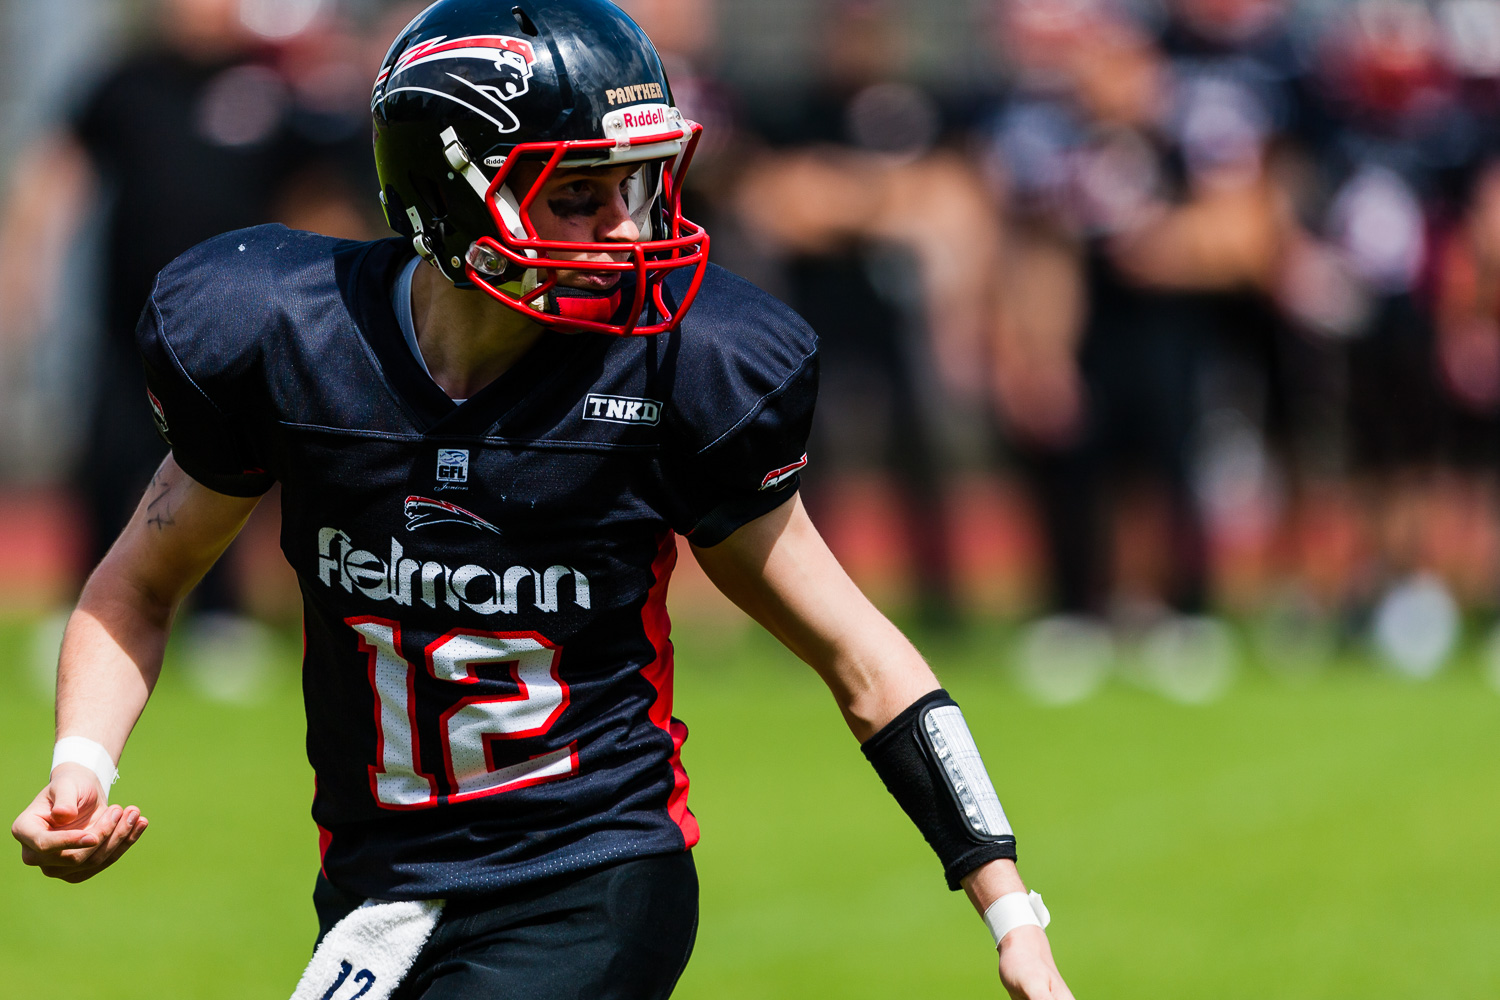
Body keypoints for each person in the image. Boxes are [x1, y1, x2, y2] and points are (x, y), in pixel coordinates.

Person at [9, 2, 1074, 998]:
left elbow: (866, 659)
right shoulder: (287, 339)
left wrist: (1010, 908)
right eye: (579, 194)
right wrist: (80, 765)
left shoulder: (672, 368)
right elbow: (138, 586)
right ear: (452, 192)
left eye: (637, 184)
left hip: (593, 875)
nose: (625, 227)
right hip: (380, 888)